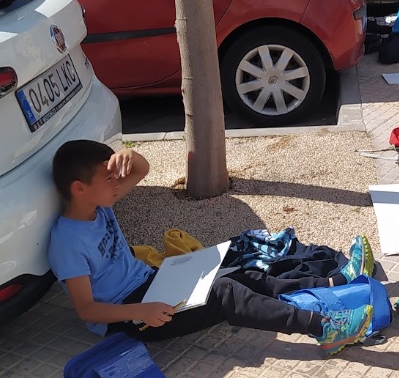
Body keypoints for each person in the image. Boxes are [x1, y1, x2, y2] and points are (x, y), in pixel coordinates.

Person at [46, 140, 373, 356]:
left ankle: (333, 282)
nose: (118, 183)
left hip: (152, 282)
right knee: (226, 293)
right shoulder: (67, 243)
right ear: (79, 188)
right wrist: (140, 311)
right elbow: (87, 310)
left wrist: (131, 156)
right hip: (130, 315)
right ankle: (324, 329)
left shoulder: (98, 205)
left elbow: (141, 170)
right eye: (109, 179)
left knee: (240, 273)